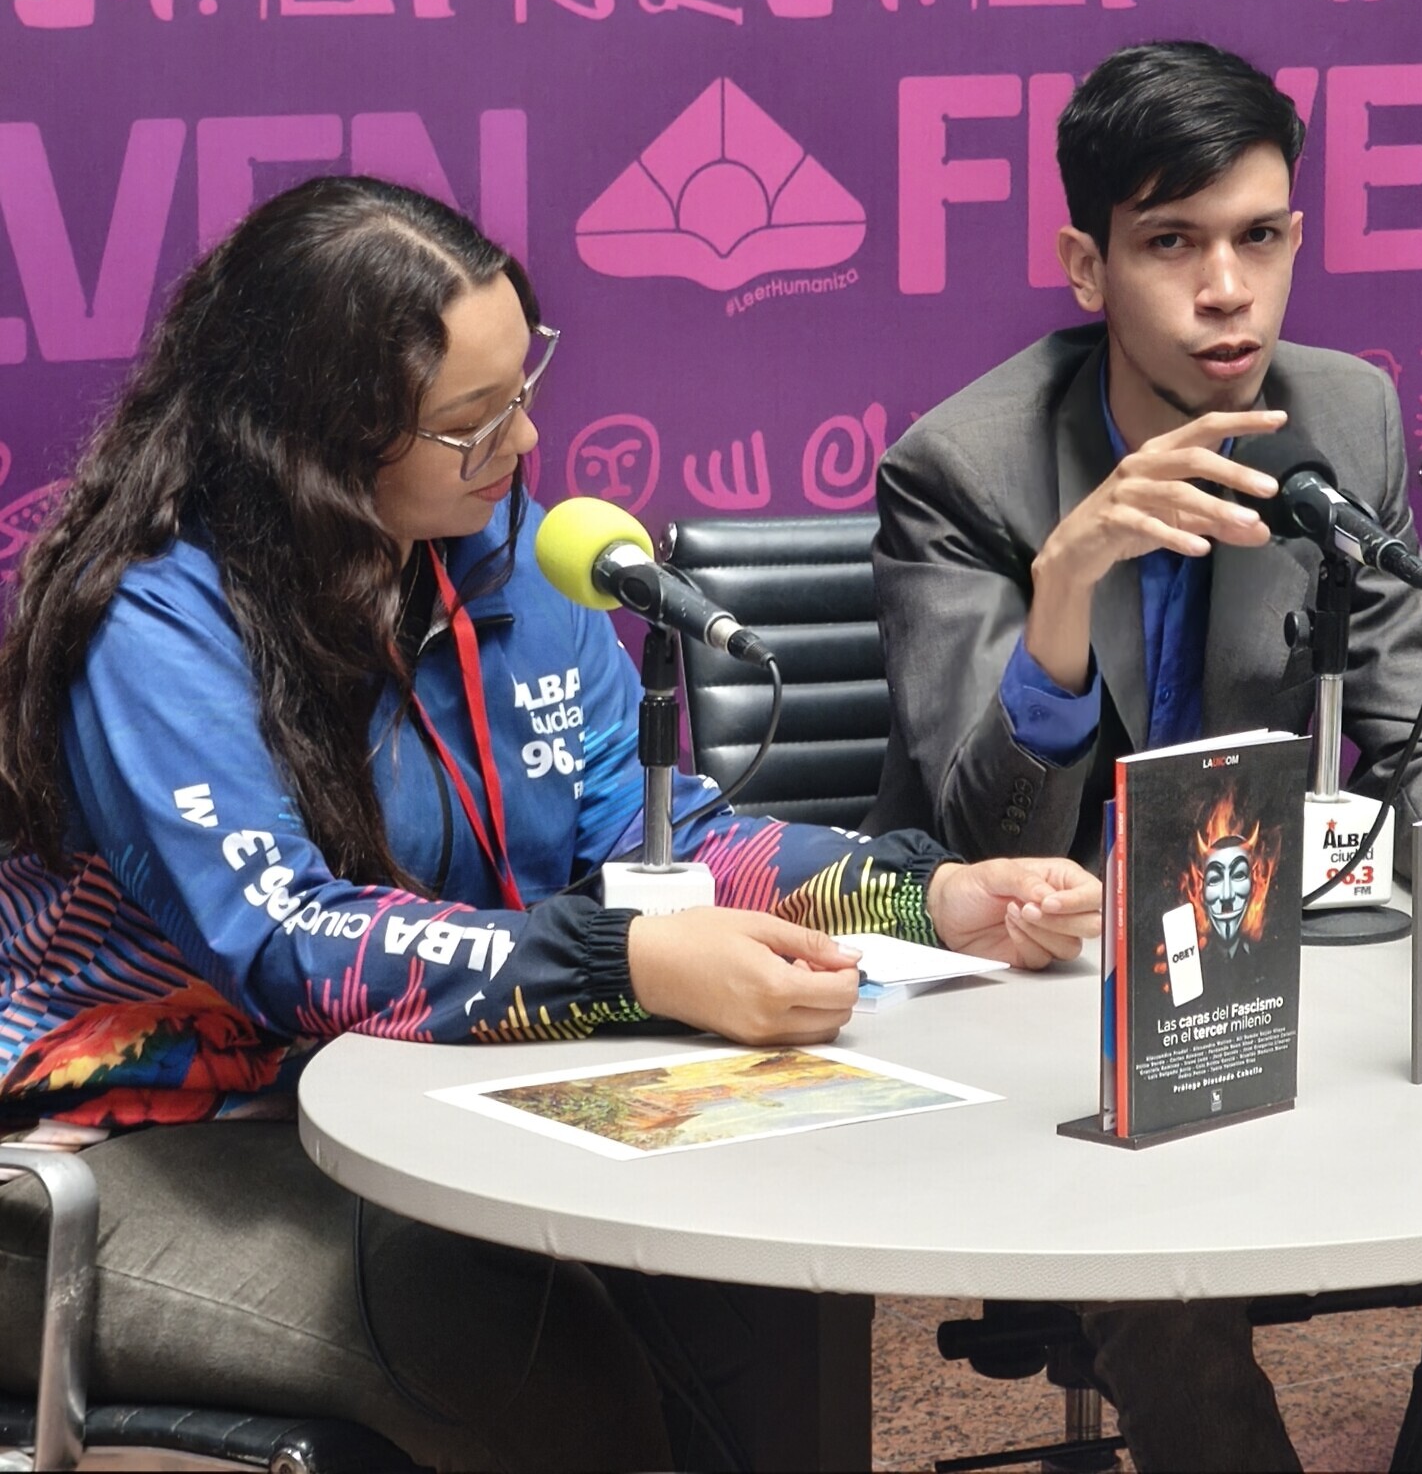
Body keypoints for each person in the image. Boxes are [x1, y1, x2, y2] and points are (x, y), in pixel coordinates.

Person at [0, 175, 1100, 1474]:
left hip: (414, 1093)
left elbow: (652, 841)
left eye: (522, 388)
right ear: (317, 439)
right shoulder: (155, 622)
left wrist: (921, 897)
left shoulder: (519, 553)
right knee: (509, 1356)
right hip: (119, 1144)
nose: (522, 441)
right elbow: (287, 941)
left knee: (753, 1284)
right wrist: (623, 963)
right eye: (471, 421)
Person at [865, 41, 1422, 1472]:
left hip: (1273, 964)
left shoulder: (1342, 417)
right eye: (1172, 243)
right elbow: (982, 838)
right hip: (1047, 1002)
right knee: (1159, 1259)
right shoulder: (962, 468)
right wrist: (1064, 590)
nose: (1228, 289)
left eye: (1260, 238)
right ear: (1087, 267)